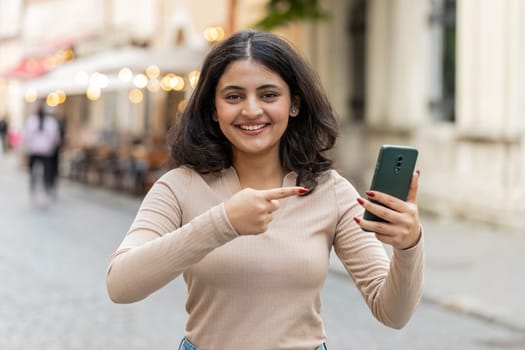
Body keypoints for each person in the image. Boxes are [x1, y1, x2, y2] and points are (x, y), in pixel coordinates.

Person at [106, 30, 424, 350]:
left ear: (294, 104)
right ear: (213, 109)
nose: (252, 110)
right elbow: (120, 285)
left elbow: (392, 313)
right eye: (233, 96)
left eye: (269, 94)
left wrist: (409, 245)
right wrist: (223, 222)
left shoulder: (331, 191)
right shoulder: (180, 186)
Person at [24, 104, 61, 202]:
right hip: (37, 151)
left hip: (44, 152)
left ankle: (45, 189)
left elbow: (54, 137)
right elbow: (27, 136)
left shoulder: (49, 122)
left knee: (46, 173)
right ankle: (35, 189)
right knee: (34, 172)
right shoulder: (32, 121)